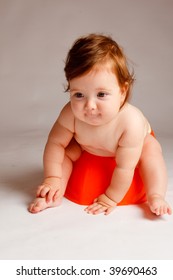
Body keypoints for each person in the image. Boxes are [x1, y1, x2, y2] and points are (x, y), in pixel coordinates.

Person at [29, 33, 172, 216]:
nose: (89, 106)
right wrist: (52, 177)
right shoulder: (70, 113)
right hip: (88, 146)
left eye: (102, 94)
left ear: (122, 91)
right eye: (78, 95)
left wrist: (111, 197)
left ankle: (156, 195)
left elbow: (124, 168)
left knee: (151, 153)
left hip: (131, 150)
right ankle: (55, 193)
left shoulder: (130, 122)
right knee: (66, 153)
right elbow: (55, 143)